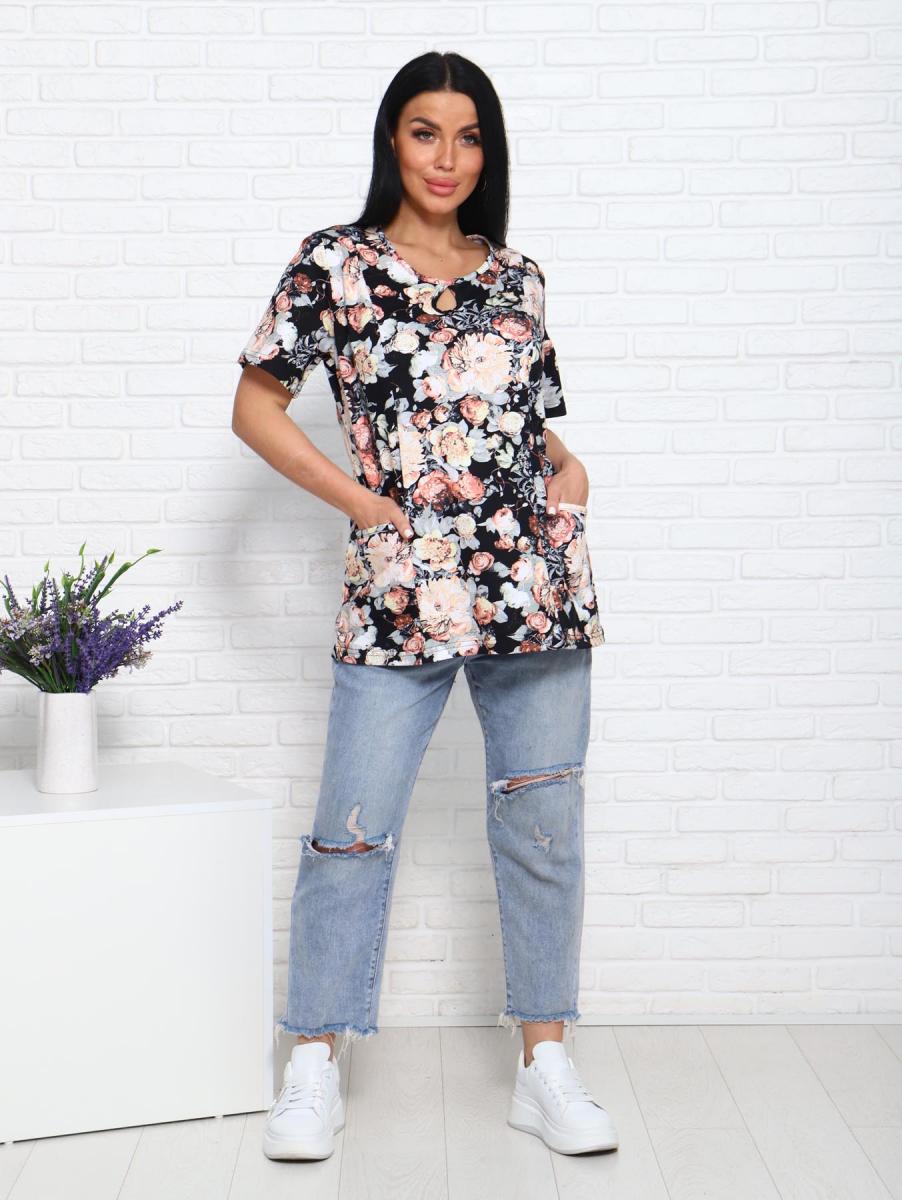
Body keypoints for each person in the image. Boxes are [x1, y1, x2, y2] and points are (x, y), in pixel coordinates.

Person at [232, 50, 619, 1162]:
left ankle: (544, 1064)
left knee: (542, 828)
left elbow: (524, 424)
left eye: (468, 137)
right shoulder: (335, 264)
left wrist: (570, 477)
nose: (446, 158)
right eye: (424, 132)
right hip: (397, 591)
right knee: (348, 832)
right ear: (391, 140)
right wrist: (365, 505)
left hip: (533, 587)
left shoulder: (520, 277)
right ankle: (313, 1062)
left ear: (488, 153)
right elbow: (255, 407)